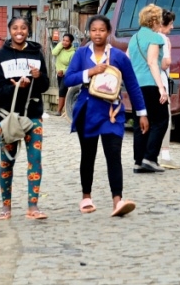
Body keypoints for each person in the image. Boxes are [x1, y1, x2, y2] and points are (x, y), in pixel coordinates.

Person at [63, 15, 149, 217]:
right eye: (94, 30)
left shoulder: (119, 57)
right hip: (87, 112)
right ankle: (86, 197)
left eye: (102, 30)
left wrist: (142, 113)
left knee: (113, 155)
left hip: (112, 113)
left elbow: (133, 85)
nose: (98, 34)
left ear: (108, 31)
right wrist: (91, 71)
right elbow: (68, 79)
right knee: (88, 155)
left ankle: (117, 201)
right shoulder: (82, 54)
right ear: (89, 32)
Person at [0, 17, 50, 220]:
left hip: (33, 115)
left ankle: (33, 206)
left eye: (23, 28)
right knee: (7, 161)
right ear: (9, 30)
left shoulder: (37, 53)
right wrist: (16, 87)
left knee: (35, 160)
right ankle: (6, 207)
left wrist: (38, 76)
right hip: (7, 116)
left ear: (28, 30)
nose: (19, 31)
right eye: (15, 28)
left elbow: (45, 85)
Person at [128, 5, 170, 173]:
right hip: (150, 84)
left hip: (135, 85)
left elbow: (128, 60)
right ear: (154, 20)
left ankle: (138, 161)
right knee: (160, 120)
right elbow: (153, 62)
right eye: (159, 18)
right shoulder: (155, 38)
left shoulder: (134, 38)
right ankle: (150, 158)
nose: (160, 21)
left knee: (140, 122)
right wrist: (162, 88)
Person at [158, 10, 178, 168]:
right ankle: (164, 155)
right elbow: (165, 63)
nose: (172, 27)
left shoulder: (141, 37)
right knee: (165, 118)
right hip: (161, 82)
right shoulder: (163, 39)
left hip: (144, 81)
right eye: (170, 24)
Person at [52, 33, 76, 115]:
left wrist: (63, 71)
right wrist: (59, 45)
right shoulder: (60, 48)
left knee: (62, 90)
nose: (65, 42)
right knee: (61, 90)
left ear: (71, 42)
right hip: (59, 73)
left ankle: (59, 111)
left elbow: (72, 66)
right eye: (64, 40)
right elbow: (54, 53)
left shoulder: (72, 53)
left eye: (67, 41)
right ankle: (64, 110)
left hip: (67, 74)